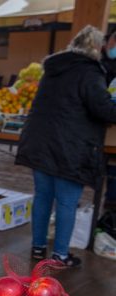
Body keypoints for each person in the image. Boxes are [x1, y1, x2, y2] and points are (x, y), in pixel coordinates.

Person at [15, 25, 116, 267]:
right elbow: (104, 109)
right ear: (96, 48)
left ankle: (38, 248)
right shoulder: (89, 71)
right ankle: (60, 255)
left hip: (40, 142)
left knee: (43, 196)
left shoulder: (54, 68)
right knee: (67, 201)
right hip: (69, 146)